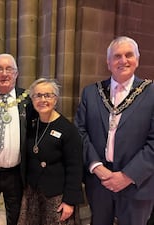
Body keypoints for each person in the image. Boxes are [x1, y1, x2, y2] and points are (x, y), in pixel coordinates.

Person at [75, 36, 154, 225]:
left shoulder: (151, 93)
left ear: (137, 59)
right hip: (100, 182)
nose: (123, 60)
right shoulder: (91, 93)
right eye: (117, 56)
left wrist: (128, 175)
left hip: (137, 183)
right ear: (108, 62)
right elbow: (80, 132)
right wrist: (96, 167)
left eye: (129, 55)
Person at [17, 78, 84, 225]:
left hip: (56, 196)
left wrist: (69, 201)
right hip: (32, 194)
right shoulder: (32, 125)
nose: (42, 99)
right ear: (32, 99)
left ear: (56, 99)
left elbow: (75, 168)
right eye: (37, 95)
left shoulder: (67, 129)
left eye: (48, 95)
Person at [0, 53, 32, 225]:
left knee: (16, 217)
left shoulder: (28, 100)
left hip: (16, 173)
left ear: (16, 74)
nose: (4, 74)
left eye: (9, 69)